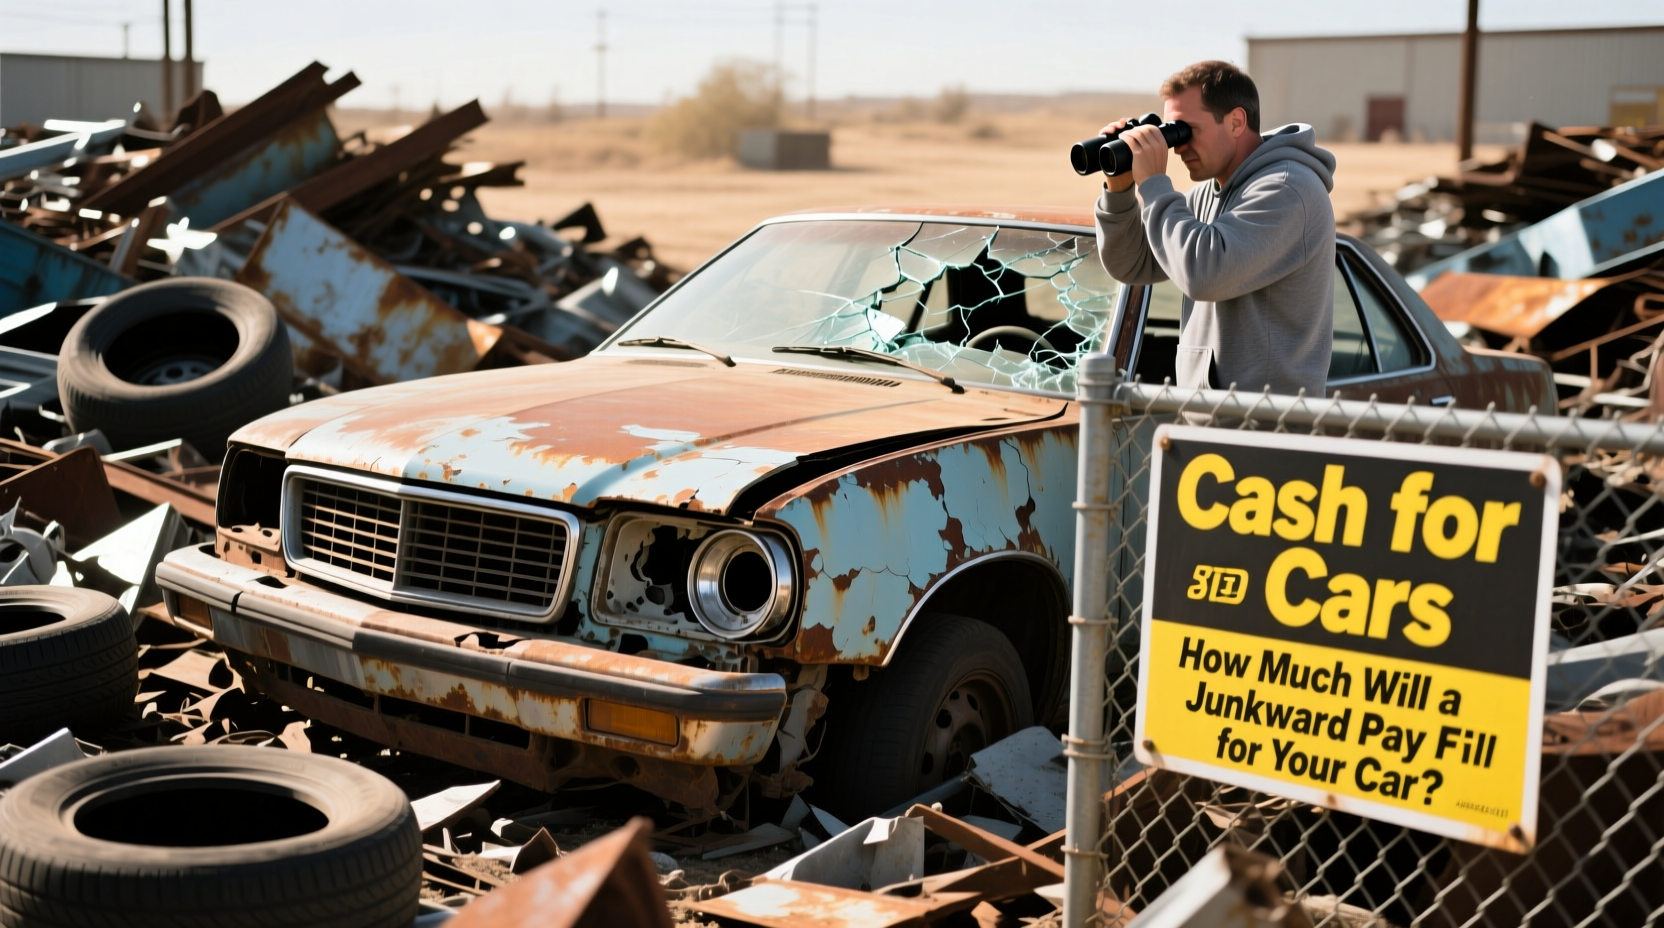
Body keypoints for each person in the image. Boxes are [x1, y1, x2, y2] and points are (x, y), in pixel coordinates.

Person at [1094, 61, 1336, 397]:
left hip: (1265, 427)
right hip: (1212, 417)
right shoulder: (1207, 195)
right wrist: (1119, 191)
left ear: (1236, 121)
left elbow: (1203, 273)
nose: (1177, 146)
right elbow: (1131, 265)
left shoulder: (1288, 189)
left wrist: (1153, 184)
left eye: (1187, 129)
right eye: (1171, 131)